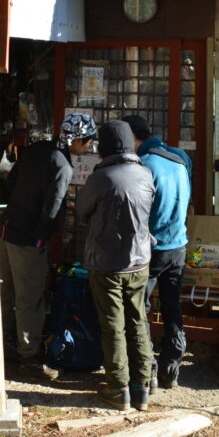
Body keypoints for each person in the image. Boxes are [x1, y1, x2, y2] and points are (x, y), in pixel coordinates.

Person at [0, 113, 97, 374]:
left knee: (4, 292)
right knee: (29, 296)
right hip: (29, 237)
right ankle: (28, 355)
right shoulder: (63, 166)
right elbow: (52, 209)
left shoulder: (35, 149)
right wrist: (43, 237)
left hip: (8, 227)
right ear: (77, 140)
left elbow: (11, 180)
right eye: (87, 142)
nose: (88, 147)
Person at [76, 120, 156, 411]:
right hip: (140, 261)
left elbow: (82, 211)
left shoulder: (102, 177)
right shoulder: (146, 174)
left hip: (106, 263)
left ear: (105, 146)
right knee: (138, 321)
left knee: (113, 326)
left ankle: (118, 388)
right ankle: (142, 387)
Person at [122, 115, 191, 390]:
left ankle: (146, 368)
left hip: (151, 249)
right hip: (179, 245)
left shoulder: (144, 166)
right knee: (173, 307)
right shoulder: (179, 158)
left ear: (133, 139)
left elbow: (137, 215)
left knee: (141, 309)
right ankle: (171, 370)